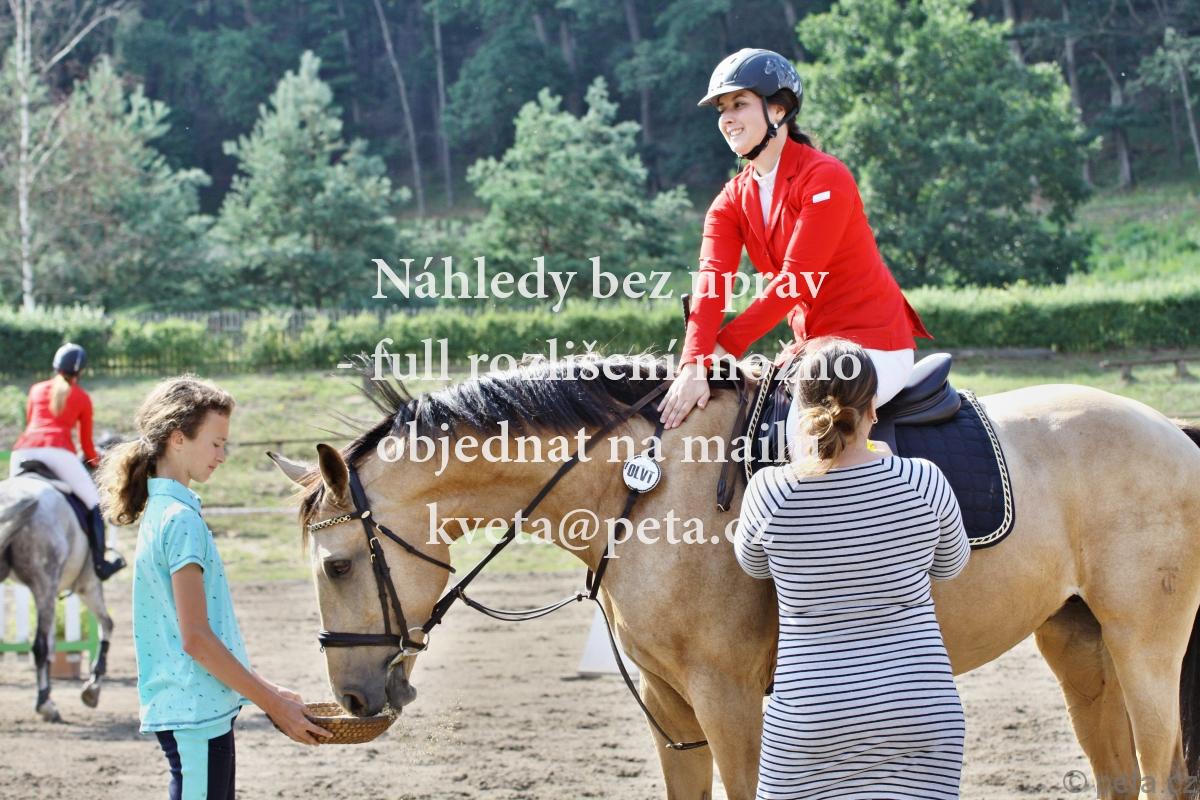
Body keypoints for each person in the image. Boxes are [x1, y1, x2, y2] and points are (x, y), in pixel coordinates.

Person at [657, 48, 934, 454]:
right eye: (721, 109)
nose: (727, 118)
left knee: (799, 436)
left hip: (872, 344)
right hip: (812, 348)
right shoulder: (729, 201)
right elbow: (712, 283)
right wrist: (694, 362)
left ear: (779, 110)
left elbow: (796, 281)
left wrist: (722, 348)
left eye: (739, 104)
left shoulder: (825, 177)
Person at [734, 338, 970, 799]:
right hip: (919, 707)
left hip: (812, 715)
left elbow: (753, 566)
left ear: (799, 411)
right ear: (874, 409)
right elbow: (951, 566)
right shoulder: (924, 480)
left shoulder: (770, 491)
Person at [96, 375, 330, 799]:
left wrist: (270, 690)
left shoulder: (164, 512)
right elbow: (197, 640)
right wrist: (274, 706)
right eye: (216, 443)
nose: (222, 456)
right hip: (196, 714)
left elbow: (198, 636)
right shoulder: (180, 520)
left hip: (198, 710)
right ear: (177, 438)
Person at [10, 342, 125, 579]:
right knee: (94, 503)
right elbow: (86, 444)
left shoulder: (35, 389)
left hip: (22, 451)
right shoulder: (81, 397)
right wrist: (96, 462)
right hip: (57, 452)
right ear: (80, 372)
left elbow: (30, 423)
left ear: (55, 366)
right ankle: (101, 564)